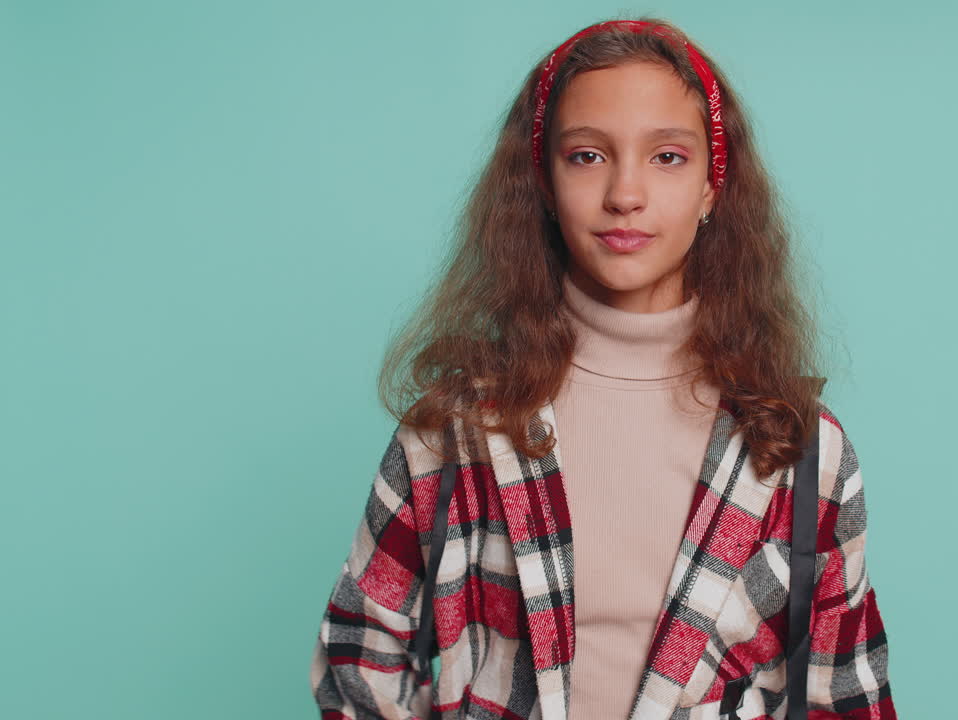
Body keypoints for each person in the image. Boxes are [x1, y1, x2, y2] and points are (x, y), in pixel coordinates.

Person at [310, 16, 896, 720]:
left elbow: (846, 695)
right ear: (544, 183)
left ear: (712, 187)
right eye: (587, 155)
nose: (625, 193)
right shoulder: (454, 432)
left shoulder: (802, 450)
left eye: (668, 156)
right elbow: (360, 652)